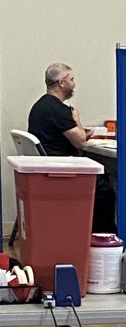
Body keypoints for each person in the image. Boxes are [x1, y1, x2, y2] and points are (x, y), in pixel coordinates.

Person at [28, 63, 116, 232]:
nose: (74, 84)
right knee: (105, 192)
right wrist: (76, 118)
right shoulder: (58, 110)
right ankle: (101, 236)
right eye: (71, 79)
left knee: (103, 176)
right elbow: (80, 141)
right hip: (62, 171)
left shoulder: (40, 106)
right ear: (61, 82)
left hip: (49, 169)